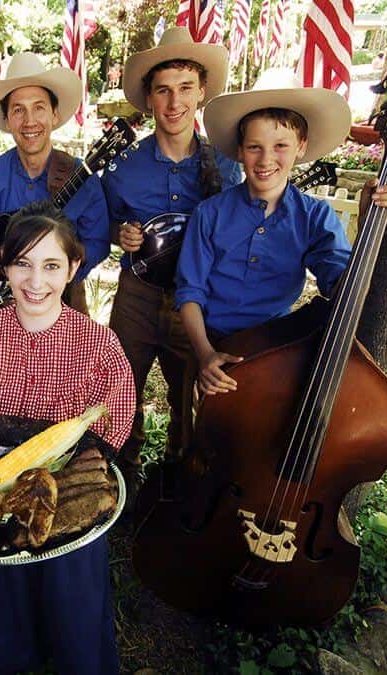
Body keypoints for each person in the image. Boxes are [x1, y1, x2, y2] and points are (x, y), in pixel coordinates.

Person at [0, 205, 135, 675]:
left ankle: (78, 656)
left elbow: (113, 423)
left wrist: (61, 459)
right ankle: (8, 655)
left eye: (51, 266)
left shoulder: (100, 345)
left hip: (70, 491)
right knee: (1, 584)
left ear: (73, 269)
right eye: (23, 264)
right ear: (4, 266)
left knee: (76, 594)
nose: (35, 282)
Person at [176, 69, 387, 396]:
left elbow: (343, 289)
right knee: (200, 435)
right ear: (240, 151)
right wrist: (204, 354)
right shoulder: (209, 213)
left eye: (280, 145)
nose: (266, 159)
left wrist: (372, 226)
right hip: (211, 342)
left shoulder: (314, 217)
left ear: (301, 146)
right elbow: (190, 292)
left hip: (276, 348)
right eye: (254, 147)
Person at [100, 27, 240, 474]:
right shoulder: (124, 166)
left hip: (197, 300)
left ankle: (179, 477)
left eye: (184, 89)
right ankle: (123, 474)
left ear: (201, 93)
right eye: (163, 91)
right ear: (150, 100)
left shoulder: (225, 161)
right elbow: (100, 219)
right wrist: (118, 234)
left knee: (191, 397)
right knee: (120, 388)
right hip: (137, 296)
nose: (174, 102)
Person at [0, 52, 110, 315]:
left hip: (66, 298)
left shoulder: (81, 176)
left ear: (54, 115)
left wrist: (56, 274)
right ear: (8, 121)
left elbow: (98, 243)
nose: (29, 121)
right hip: (4, 304)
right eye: (18, 110)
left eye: (39, 107)